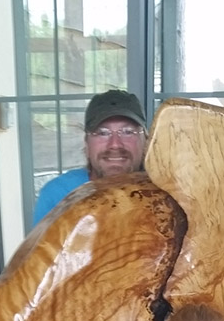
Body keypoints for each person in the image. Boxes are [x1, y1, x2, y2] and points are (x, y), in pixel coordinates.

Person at [33, 89, 147, 225]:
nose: (115, 144)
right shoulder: (58, 196)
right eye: (103, 133)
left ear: (146, 141)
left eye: (128, 132)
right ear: (87, 143)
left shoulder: (164, 192)